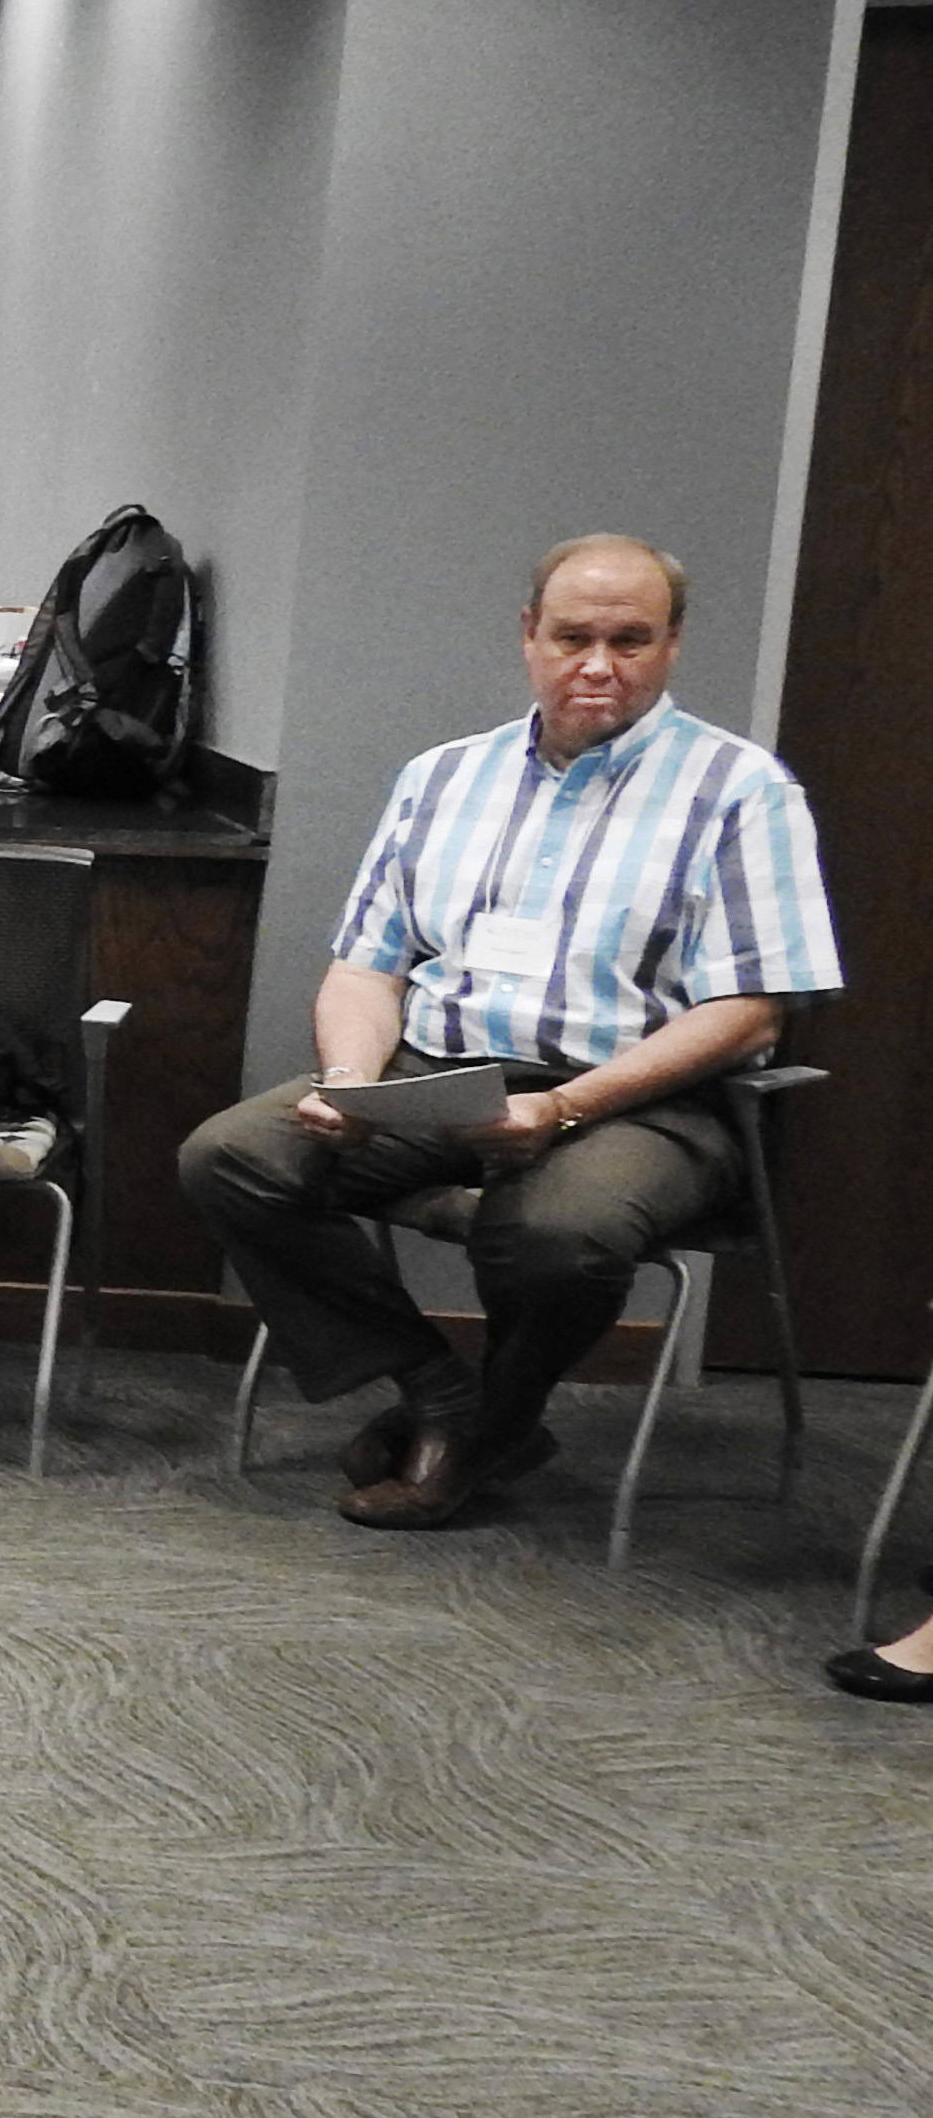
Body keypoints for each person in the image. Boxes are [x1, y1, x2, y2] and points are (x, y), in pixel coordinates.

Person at [178, 533, 841, 1531]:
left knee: (556, 1235)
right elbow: (369, 964)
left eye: (631, 640)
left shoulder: (742, 792)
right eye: (574, 636)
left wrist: (569, 1104)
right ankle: (444, 1397)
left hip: (638, 1096)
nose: (598, 665)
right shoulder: (444, 778)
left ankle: (495, 1421)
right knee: (233, 1158)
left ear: (673, 647)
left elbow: (754, 1006)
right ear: (529, 635)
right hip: (439, 1068)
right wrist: (353, 1079)